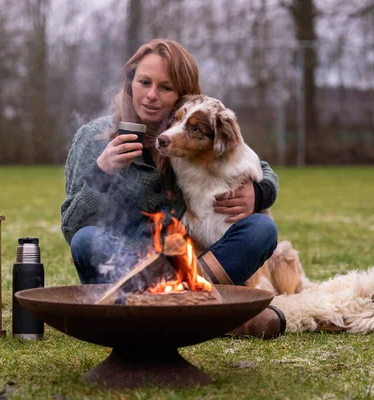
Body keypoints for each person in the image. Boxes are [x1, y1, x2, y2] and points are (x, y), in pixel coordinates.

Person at [61, 38, 284, 337]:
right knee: (86, 240)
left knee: (262, 230)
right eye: (144, 82)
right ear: (130, 82)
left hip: (190, 262)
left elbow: (253, 162)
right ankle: (195, 308)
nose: (151, 96)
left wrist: (260, 192)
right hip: (127, 266)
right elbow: (71, 226)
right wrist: (103, 170)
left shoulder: (191, 132)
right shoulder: (93, 137)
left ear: (182, 95)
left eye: (165, 88)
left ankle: (172, 299)